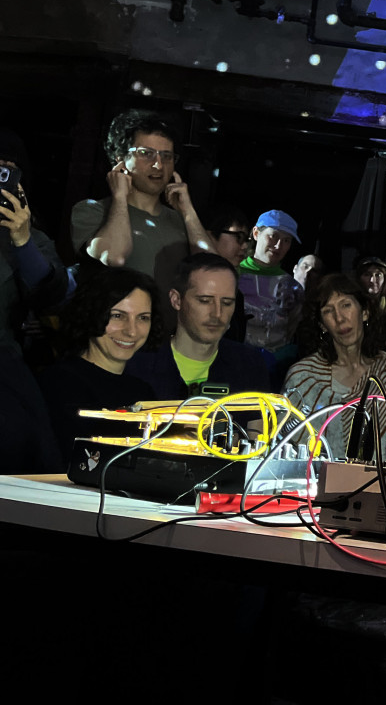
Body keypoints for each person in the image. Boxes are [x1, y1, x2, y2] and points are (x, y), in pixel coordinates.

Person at [69, 110, 213, 307]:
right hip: (119, 333)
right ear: (121, 159)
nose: (158, 165)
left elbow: (213, 271)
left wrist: (188, 211)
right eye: (146, 154)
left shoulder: (181, 220)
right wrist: (120, 197)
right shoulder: (92, 210)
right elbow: (114, 256)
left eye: (167, 156)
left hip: (170, 334)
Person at [283, 273, 386, 459]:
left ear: (364, 312)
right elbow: (289, 452)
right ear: (322, 325)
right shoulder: (303, 377)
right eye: (328, 311)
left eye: (346, 305)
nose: (340, 318)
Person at [38, 267, 160, 470]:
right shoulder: (59, 383)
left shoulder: (142, 391)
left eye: (143, 318)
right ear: (92, 313)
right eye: (118, 316)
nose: (131, 331)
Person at [1, 147, 69, 473]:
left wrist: (22, 241)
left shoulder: (31, 239)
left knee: (31, 443)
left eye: (8, 174)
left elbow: (53, 296)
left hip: (3, 359)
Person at [125, 253, 270, 399]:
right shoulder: (137, 366)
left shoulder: (249, 365)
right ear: (176, 300)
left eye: (227, 303)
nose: (217, 314)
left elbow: (259, 422)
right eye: (205, 301)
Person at [239, 209, 305, 359]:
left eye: (286, 240)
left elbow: (292, 330)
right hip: (234, 362)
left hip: (275, 369)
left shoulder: (293, 288)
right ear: (256, 233)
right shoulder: (231, 276)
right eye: (273, 236)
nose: (278, 245)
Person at [206, 203, 253, 342]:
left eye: (247, 240)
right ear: (210, 235)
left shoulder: (236, 292)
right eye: (238, 237)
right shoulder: (190, 284)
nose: (244, 246)